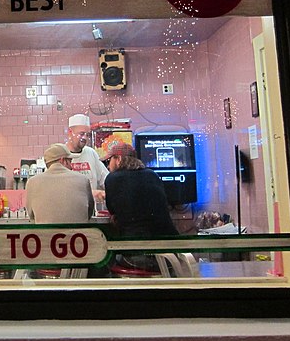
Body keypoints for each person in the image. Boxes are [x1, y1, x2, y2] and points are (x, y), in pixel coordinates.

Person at [104, 141, 178, 272]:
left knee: (105, 260)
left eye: (109, 160)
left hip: (135, 254)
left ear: (118, 159)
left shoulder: (112, 179)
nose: (108, 166)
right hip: (169, 254)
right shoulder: (152, 175)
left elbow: (113, 211)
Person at [26, 143, 94, 224]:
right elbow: (89, 213)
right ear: (62, 160)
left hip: (45, 235)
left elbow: (31, 215)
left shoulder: (32, 182)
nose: (71, 166)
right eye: (70, 161)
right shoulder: (83, 180)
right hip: (79, 235)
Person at [65, 113, 109, 202]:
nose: (84, 137)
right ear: (70, 133)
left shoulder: (91, 153)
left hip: (90, 210)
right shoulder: (61, 154)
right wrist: (91, 193)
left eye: (87, 134)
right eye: (81, 134)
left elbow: (106, 180)